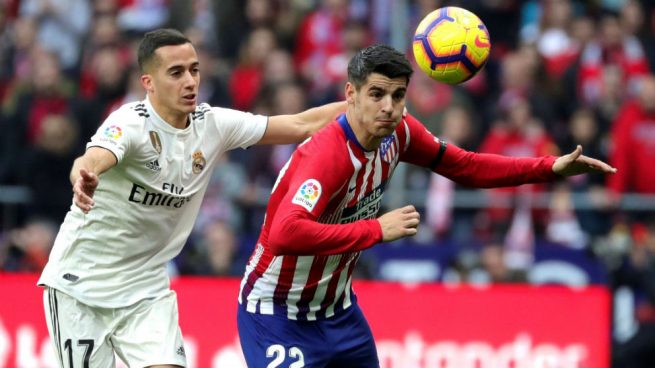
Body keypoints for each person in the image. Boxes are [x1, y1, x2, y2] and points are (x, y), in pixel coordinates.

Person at [237, 44, 616, 367]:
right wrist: (376, 230)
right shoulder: (327, 155)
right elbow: (286, 233)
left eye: (398, 95)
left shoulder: (399, 133)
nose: (389, 107)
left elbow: (465, 166)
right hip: (277, 311)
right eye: (377, 94)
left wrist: (549, 167)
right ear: (350, 94)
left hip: (337, 310)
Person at [37, 28, 345, 368]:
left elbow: (302, 123)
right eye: (176, 72)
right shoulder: (129, 122)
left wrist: (365, 104)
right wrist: (84, 174)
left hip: (146, 290)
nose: (189, 81)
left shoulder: (213, 124)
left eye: (194, 70)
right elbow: (94, 156)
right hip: (81, 287)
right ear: (148, 82)